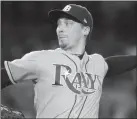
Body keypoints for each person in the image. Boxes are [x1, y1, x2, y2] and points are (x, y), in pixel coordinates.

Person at [1, 4, 137, 118]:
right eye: (59, 24)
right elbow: (4, 76)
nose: (60, 28)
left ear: (85, 30)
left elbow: (112, 65)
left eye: (68, 24)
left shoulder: (97, 64)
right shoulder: (41, 58)